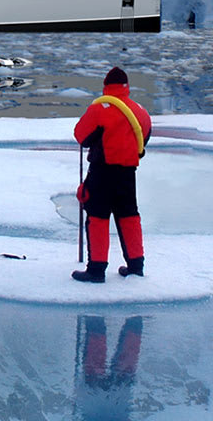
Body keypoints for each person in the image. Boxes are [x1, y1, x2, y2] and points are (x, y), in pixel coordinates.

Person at [72, 66, 151, 283]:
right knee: (129, 216)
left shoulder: (100, 108)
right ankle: (136, 266)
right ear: (127, 87)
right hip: (127, 174)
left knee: (97, 217)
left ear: (106, 85)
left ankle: (96, 270)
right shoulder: (140, 111)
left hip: (102, 172)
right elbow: (144, 140)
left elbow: (81, 136)